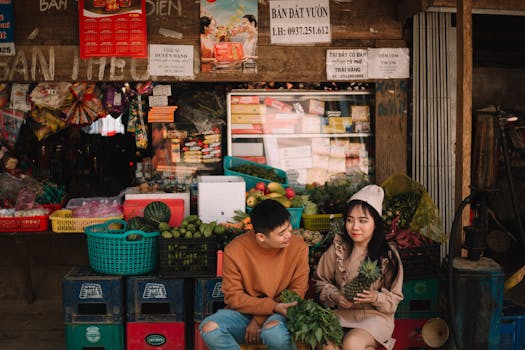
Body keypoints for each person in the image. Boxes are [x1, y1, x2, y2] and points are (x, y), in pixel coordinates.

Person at [199, 199, 310, 350]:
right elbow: (233, 296)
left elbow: (297, 291)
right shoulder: (234, 250)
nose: (289, 235)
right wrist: (267, 309)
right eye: (282, 233)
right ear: (261, 237)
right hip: (244, 312)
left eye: (289, 228)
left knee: (273, 333)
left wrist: (259, 319)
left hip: (283, 311)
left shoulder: (299, 248)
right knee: (209, 329)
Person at [314, 184, 404, 350]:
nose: (355, 227)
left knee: (352, 344)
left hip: (374, 317)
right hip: (340, 314)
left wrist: (375, 297)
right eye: (350, 220)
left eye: (363, 221)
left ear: (375, 223)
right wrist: (335, 296)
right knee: (327, 345)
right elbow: (320, 282)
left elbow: (395, 299)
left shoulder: (387, 255)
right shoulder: (338, 248)